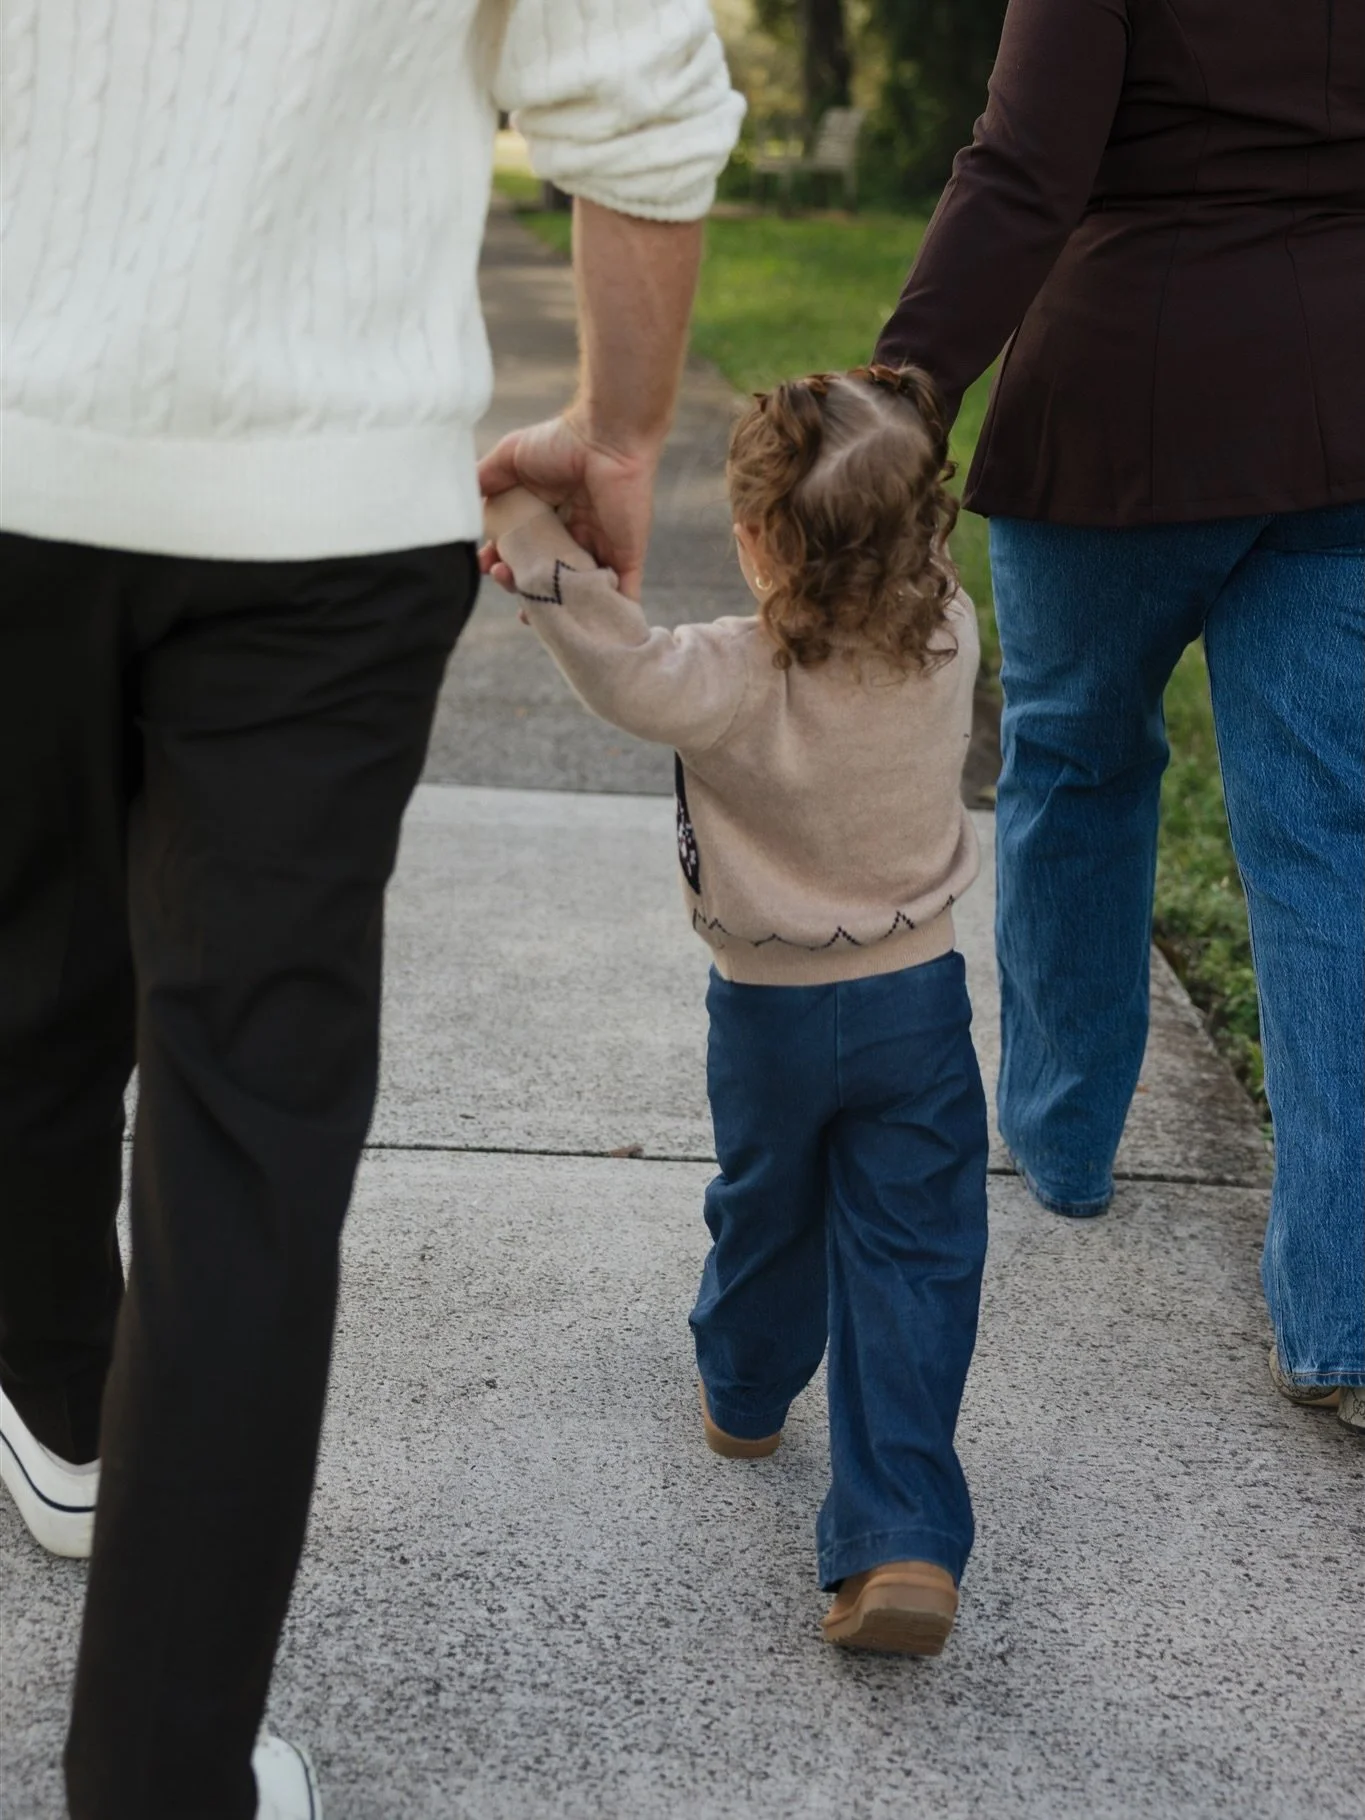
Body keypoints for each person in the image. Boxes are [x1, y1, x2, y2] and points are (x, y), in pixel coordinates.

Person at [0, 2, 743, 1813]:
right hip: (319, 509)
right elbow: (636, 87)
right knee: (247, 1125)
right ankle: (161, 1776)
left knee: (21, 982)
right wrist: (622, 431)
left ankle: (67, 1403)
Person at [873, 0, 1365, 1429]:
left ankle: (1064, 1142)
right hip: (1345, 408)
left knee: (1074, 764)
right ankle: (1344, 1320)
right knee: (1329, 842)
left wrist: (900, 389)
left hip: (1124, 401)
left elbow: (1025, 167)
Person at [482, 365, 990, 1653]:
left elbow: (616, 658)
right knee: (915, 1257)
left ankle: (747, 1395)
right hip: (917, 1008)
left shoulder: (723, 675)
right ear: (926, 534)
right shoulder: (951, 638)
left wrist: (526, 524)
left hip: (769, 1018)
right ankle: (902, 1536)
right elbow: (896, 550)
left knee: (768, 1207)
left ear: (757, 542)